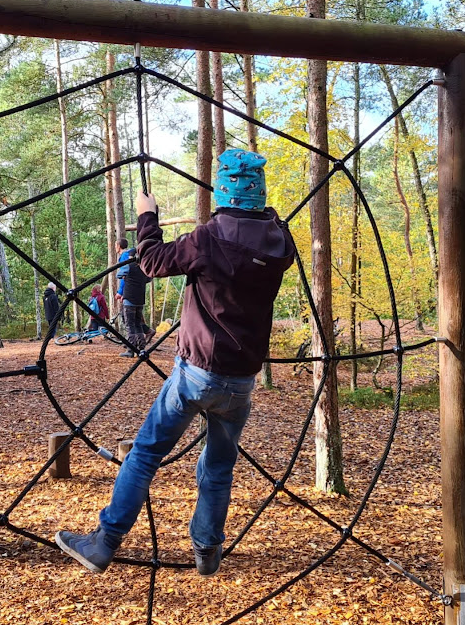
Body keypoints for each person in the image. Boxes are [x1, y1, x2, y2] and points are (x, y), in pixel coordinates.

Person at [55, 149, 295, 577]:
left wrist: (148, 217)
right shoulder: (280, 240)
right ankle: (206, 549)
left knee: (144, 454)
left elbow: (150, 261)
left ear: (223, 190)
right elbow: (262, 226)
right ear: (259, 195)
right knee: (218, 465)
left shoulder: (208, 237)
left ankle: (103, 542)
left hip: (197, 373)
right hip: (241, 383)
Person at [117, 248, 156, 358]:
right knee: (138, 324)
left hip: (129, 298)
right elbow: (149, 279)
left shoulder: (129, 266)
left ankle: (130, 349)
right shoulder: (144, 269)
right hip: (140, 300)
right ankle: (142, 348)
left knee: (130, 325)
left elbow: (119, 275)